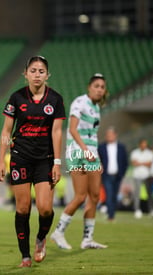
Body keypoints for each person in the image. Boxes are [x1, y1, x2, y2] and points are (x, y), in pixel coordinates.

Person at [0, 56, 66, 268]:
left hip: (45, 160)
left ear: (48, 74)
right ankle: (25, 255)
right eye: (33, 71)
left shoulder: (55, 99)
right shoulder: (16, 98)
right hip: (20, 158)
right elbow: (6, 131)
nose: (37, 75)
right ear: (25, 74)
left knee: (45, 209)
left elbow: (56, 132)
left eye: (41, 71)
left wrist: (57, 162)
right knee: (23, 208)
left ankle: (41, 237)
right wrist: (1, 161)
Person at [50, 73, 108, 250]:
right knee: (81, 195)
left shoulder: (96, 108)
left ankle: (87, 239)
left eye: (102, 87)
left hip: (92, 154)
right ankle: (58, 232)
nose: (99, 89)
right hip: (78, 152)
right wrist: (85, 151)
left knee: (95, 196)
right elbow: (73, 130)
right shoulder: (80, 102)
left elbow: (93, 135)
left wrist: (96, 156)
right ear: (89, 87)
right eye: (96, 86)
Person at [97, 127, 128, 221]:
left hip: (118, 175)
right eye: (107, 135)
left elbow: (125, 162)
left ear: (115, 135)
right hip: (106, 175)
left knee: (114, 195)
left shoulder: (121, 147)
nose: (109, 137)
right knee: (109, 195)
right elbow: (98, 160)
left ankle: (111, 213)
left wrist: (122, 173)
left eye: (111, 135)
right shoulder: (101, 147)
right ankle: (111, 216)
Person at [130, 139, 153, 218]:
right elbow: (134, 163)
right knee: (137, 194)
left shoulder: (150, 153)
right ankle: (137, 209)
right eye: (143, 144)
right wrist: (144, 163)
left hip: (147, 175)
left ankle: (151, 209)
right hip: (137, 175)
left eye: (145, 144)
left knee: (149, 193)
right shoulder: (134, 152)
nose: (144, 145)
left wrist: (139, 163)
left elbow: (150, 164)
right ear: (140, 144)